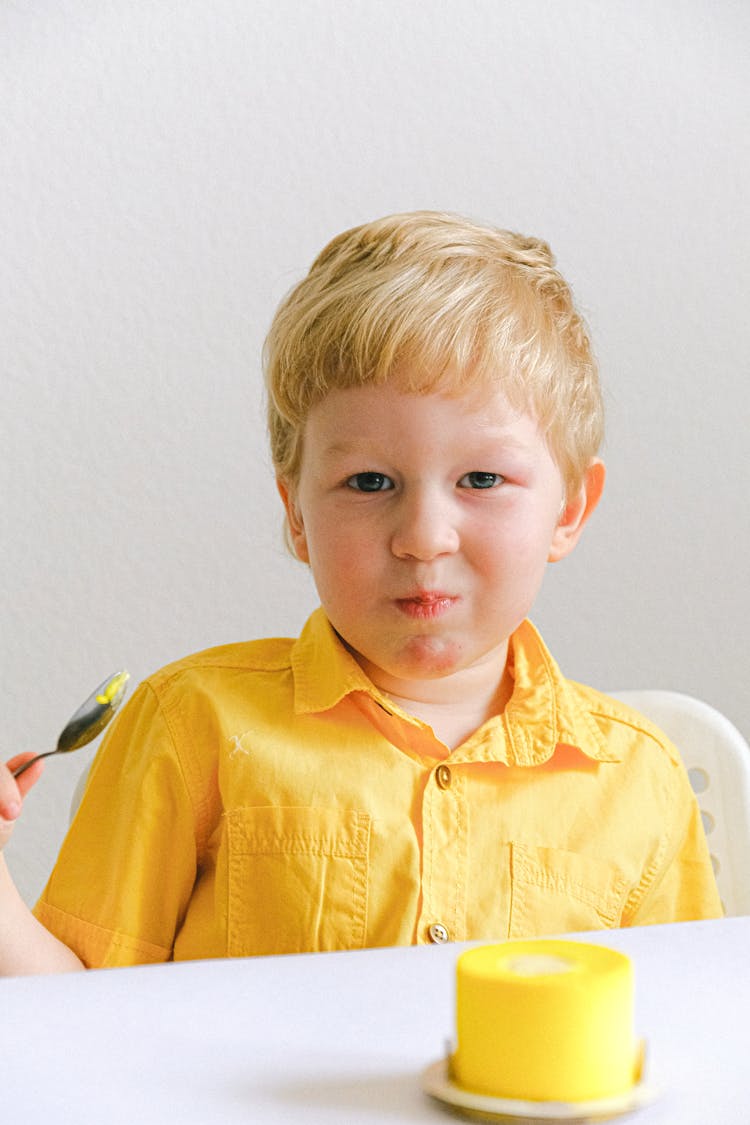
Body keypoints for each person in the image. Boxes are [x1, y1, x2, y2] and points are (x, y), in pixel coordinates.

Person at [0, 210, 722, 974]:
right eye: (370, 481)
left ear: (569, 510)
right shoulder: (193, 726)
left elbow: (682, 1034)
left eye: (482, 479)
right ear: (297, 513)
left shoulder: (639, 779)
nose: (424, 535)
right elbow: (70, 1017)